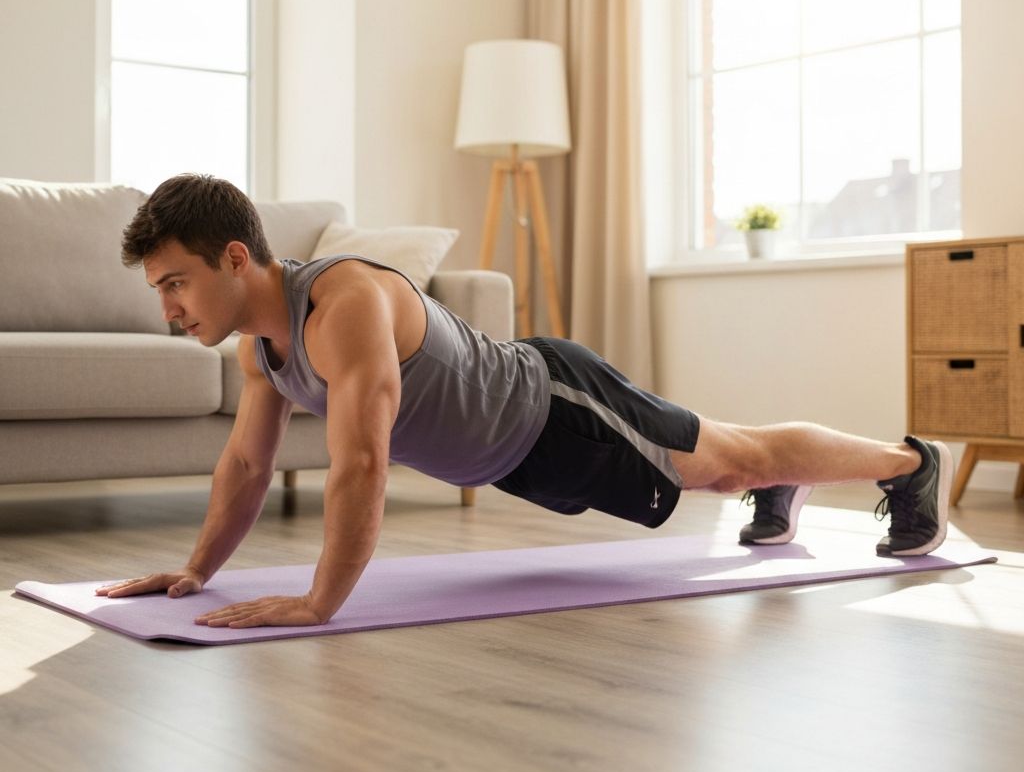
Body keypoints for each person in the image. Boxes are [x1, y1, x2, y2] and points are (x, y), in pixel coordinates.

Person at [97, 174, 954, 629]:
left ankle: (910, 464)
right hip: (520, 456)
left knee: (736, 462)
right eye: (160, 290)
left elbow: (361, 463)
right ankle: (782, 488)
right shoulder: (263, 349)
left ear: (236, 258)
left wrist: (322, 601)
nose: (169, 309)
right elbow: (247, 463)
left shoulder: (344, 304)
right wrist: (198, 569)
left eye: (176, 283)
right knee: (729, 463)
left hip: (557, 412)